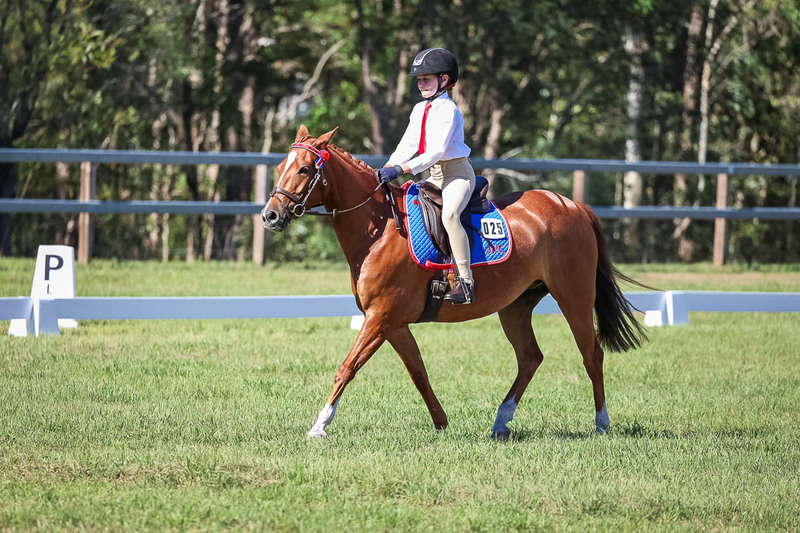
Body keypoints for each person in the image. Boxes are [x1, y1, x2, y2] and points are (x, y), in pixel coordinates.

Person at [378, 48, 476, 304]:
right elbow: (408, 144)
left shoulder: (448, 111)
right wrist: (388, 166)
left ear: (444, 79)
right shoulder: (420, 109)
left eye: (426, 79)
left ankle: (465, 283)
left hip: (457, 174)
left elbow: (435, 152)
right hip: (434, 175)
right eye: (419, 80)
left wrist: (401, 169)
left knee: (450, 215)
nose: (421, 84)